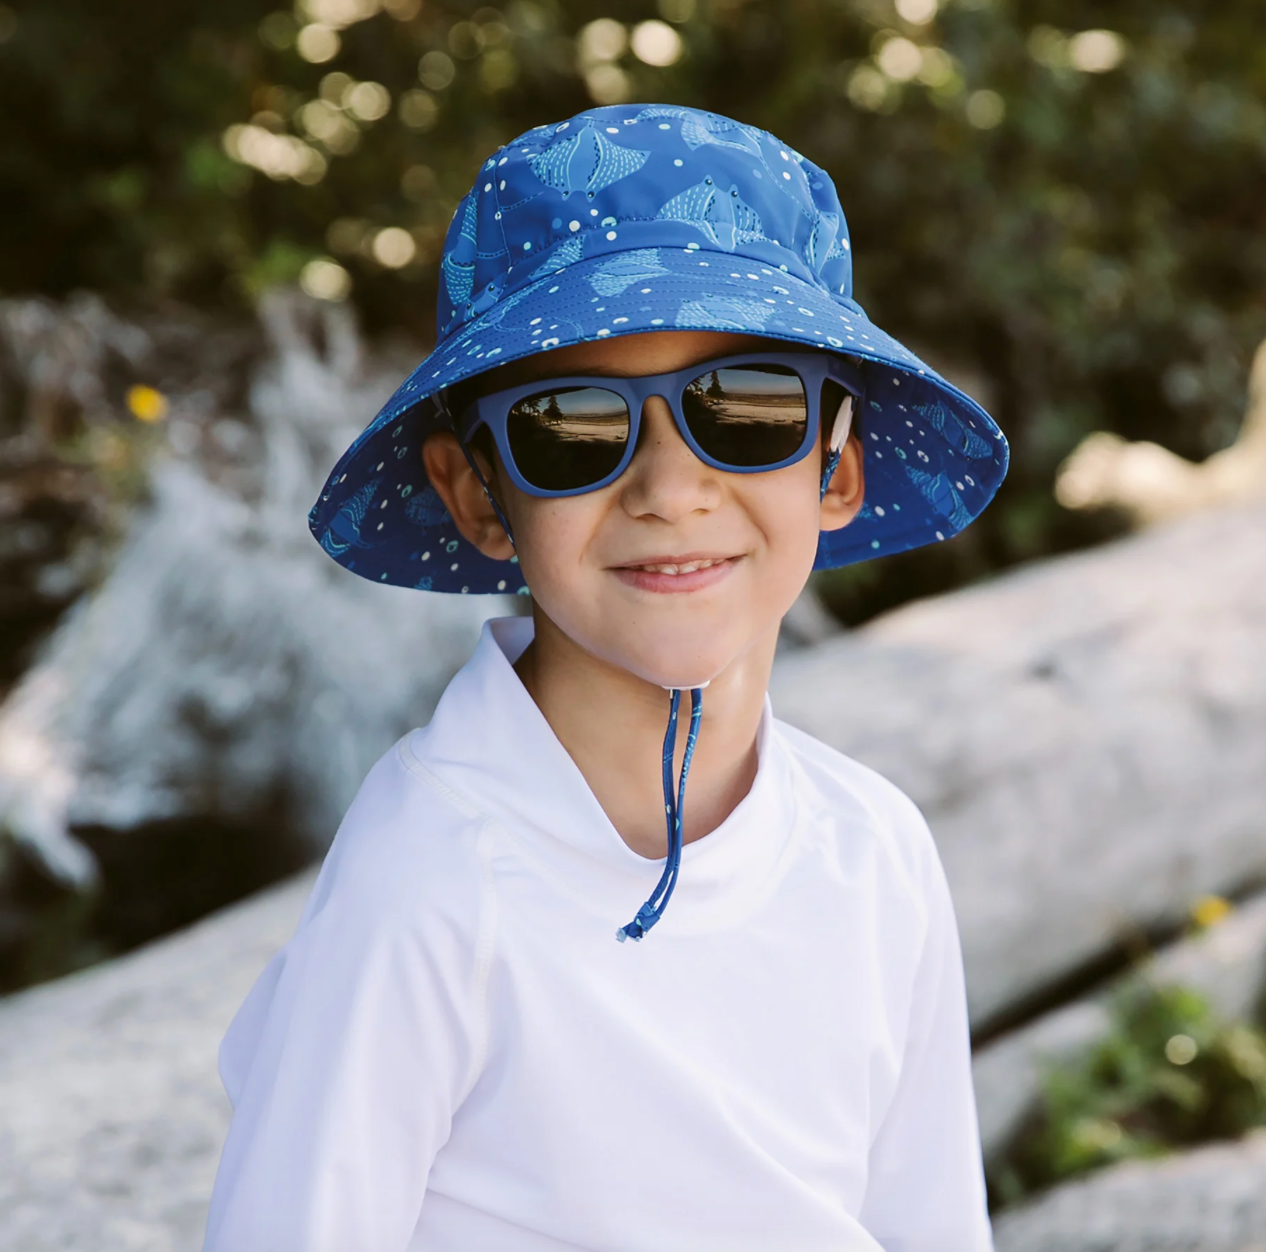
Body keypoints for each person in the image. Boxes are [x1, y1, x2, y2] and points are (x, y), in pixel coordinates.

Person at [204, 103, 1009, 1252]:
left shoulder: (875, 850)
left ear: (837, 467)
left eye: (751, 407)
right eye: (571, 425)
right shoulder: (428, 884)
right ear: (479, 494)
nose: (670, 490)